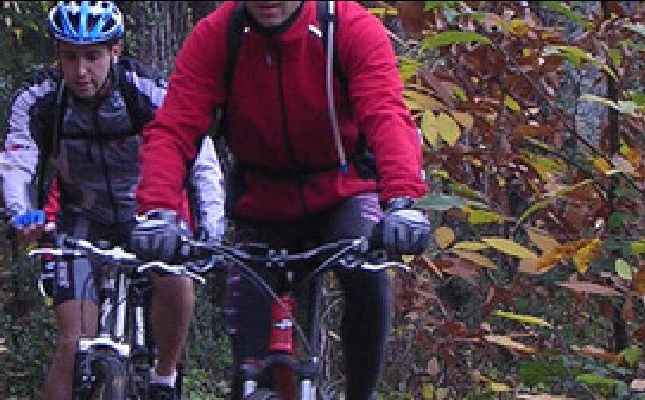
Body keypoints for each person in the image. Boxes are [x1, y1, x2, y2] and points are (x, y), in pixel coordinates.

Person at [127, 1, 433, 399]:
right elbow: (173, 128)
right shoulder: (219, 35)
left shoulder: (348, 26)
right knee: (249, 363)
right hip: (263, 203)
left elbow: (386, 115)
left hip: (342, 192)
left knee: (368, 275)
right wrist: (159, 210)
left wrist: (403, 201)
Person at [0, 2, 227, 399]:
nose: (80, 71)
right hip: (80, 217)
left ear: (115, 52)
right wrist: (20, 215)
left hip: (147, 213)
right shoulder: (39, 99)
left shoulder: (147, 90)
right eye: (69, 57)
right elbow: (18, 161)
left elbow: (201, 160)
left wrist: (211, 232)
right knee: (73, 344)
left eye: (92, 57)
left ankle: (164, 376)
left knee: (175, 278)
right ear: (57, 55)